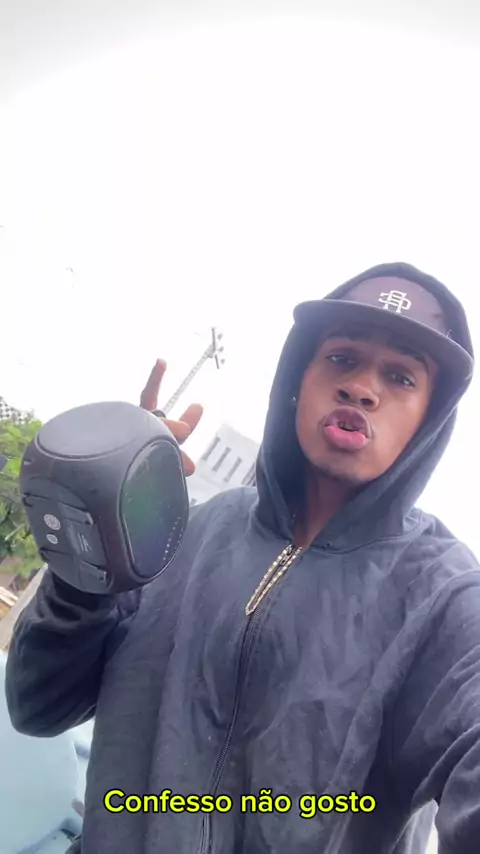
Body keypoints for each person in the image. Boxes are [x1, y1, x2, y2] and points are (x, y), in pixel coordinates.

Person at [4, 261, 480, 854]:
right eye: (341, 358)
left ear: (429, 419)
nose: (362, 388)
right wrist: (99, 539)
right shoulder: (185, 532)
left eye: (402, 376)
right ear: (297, 379)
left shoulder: (446, 598)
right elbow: (39, 707)